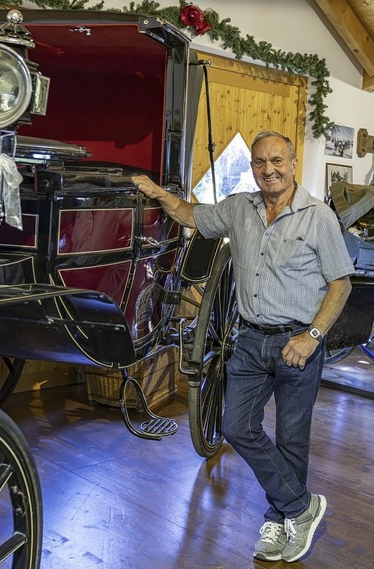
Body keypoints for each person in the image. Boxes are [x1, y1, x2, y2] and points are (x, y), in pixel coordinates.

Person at [133, 131, 354, 563]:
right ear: (252, 167)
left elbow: (340, 284)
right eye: (259, 162)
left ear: (292, 164)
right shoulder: (239, 209)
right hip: (251, 339)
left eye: (277, 161)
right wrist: (159, 193)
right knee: (236, 427)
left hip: (298, 341)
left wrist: (311, 337)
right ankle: (301, 507)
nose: (268, 169)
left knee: (292, 439)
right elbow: (191, 215)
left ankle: (278, 519)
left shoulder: (317, 217)